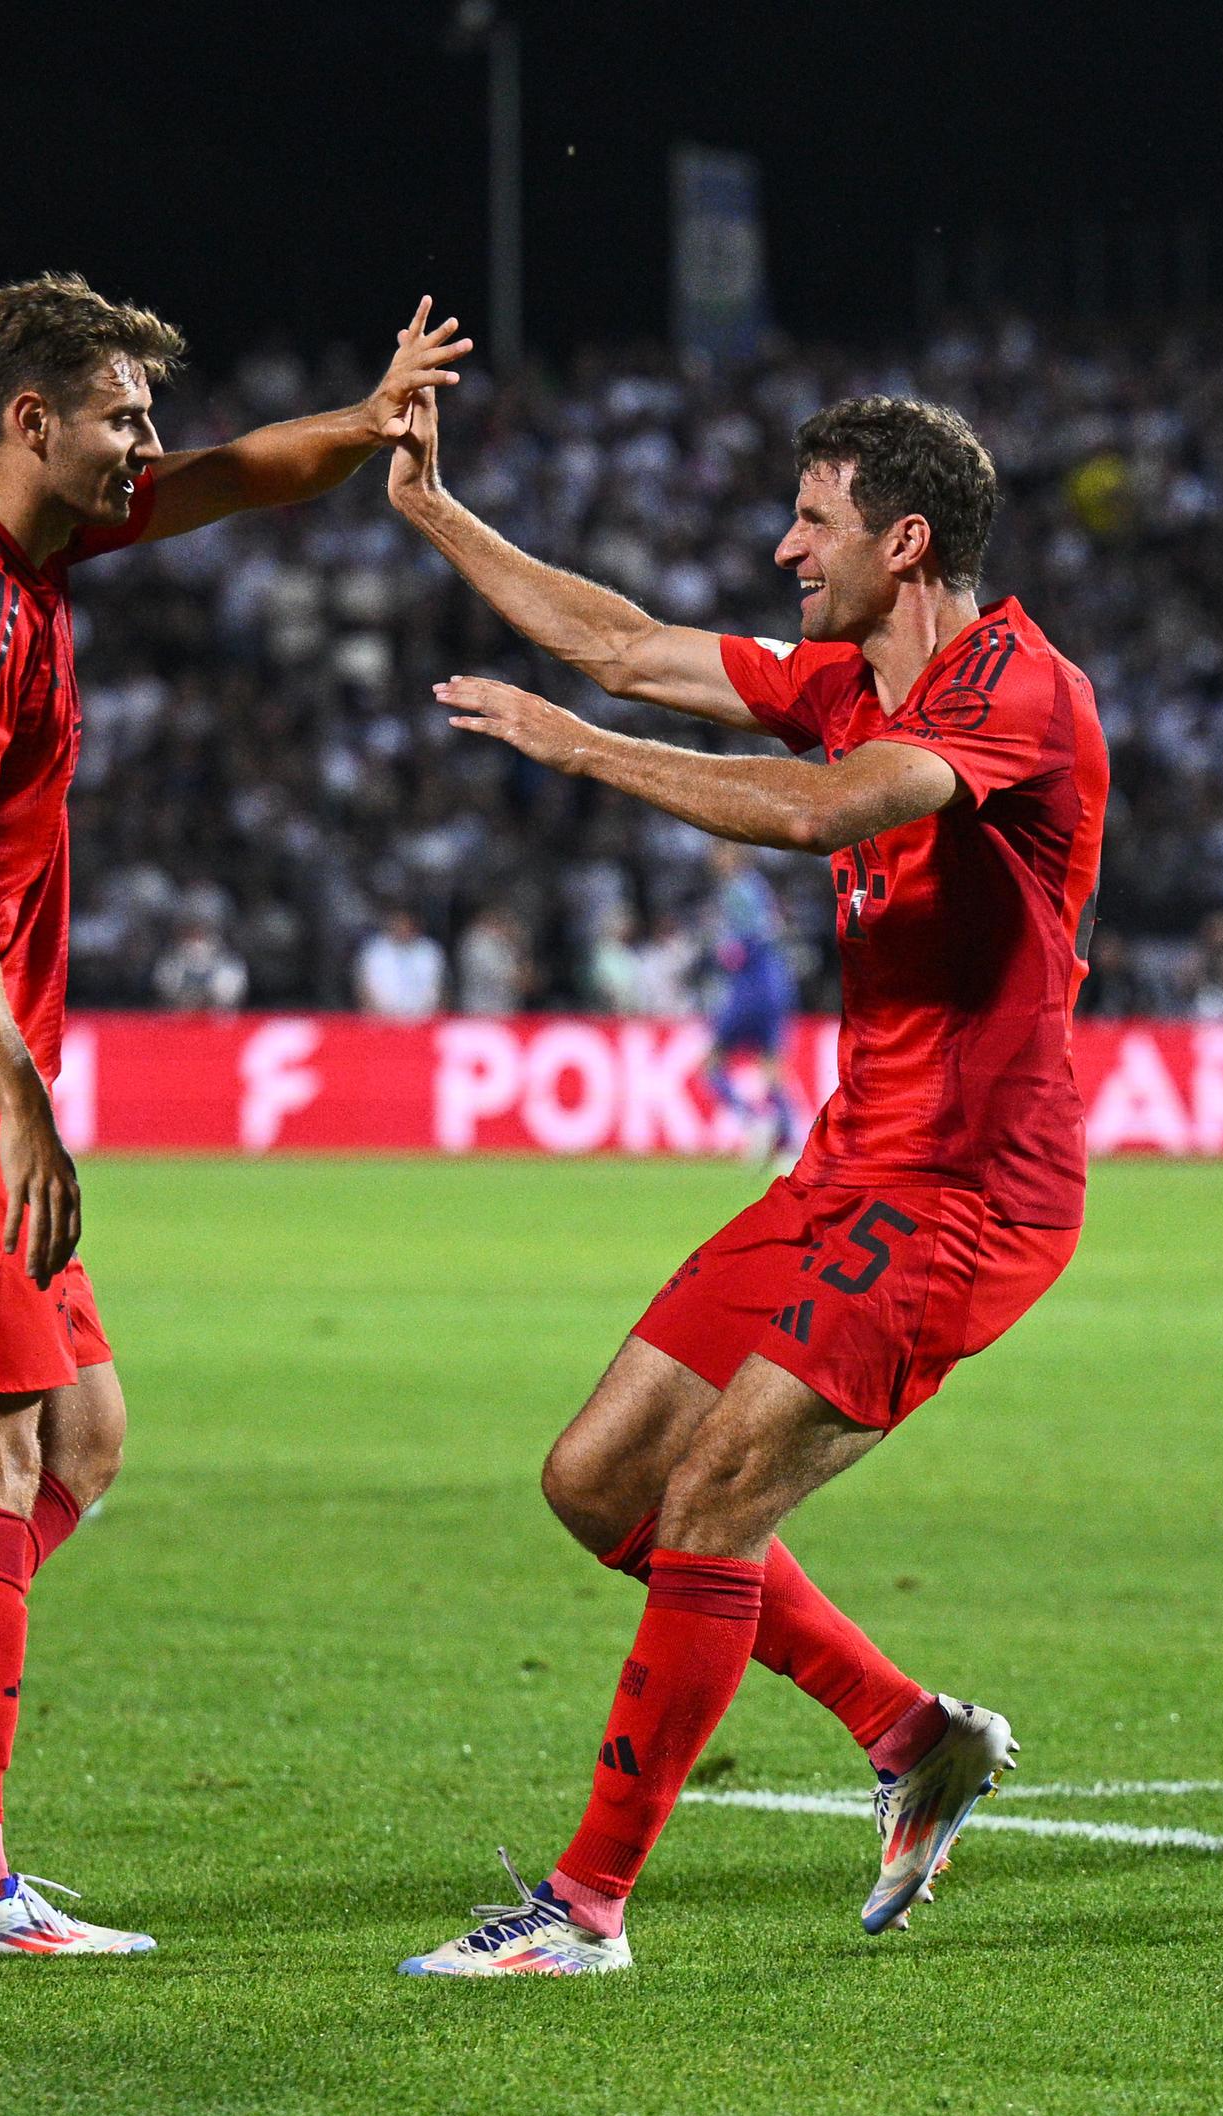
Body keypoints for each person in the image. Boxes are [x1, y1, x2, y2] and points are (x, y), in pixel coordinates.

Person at [0, 277, 470, 1960]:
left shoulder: (19, 539)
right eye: (121, 417)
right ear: (31, 421)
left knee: (79, 1439)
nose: (147, 445)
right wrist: (16, 1098)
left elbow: (231, 475)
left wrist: (371, 418)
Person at [380, 385, 1105, 1976]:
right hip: (846, 1169)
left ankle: (583, 1911)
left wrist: (576, 753)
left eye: (814, 520)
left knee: (712, 1496)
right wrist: (436, 514)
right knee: (596, 1482)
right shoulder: (851, 676)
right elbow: (631, 643)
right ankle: (912, 1734)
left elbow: (821, 810)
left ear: (903, 540)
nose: (786, 547)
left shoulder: (1015, 695)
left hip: (970, 1195)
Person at [701, 844, 806, 1158]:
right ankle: (789, 1140)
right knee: (772, 1067)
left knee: (711, 1065)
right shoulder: (759, 886)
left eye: (718, 852)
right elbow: (770, 932)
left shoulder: (736, 888)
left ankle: (753, 1118)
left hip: (750, 987)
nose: (713, 857)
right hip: (777, 985)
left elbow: (744, 944)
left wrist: (718, 955)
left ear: (731, 855)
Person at [356, 908, 446, 1019]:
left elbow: (441, 987)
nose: (402, 928)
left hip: (423, 1020)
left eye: (406, 924)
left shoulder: (429, 950)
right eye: (398, 923)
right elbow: (363, 988)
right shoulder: (374, 951)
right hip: (382, 1020)